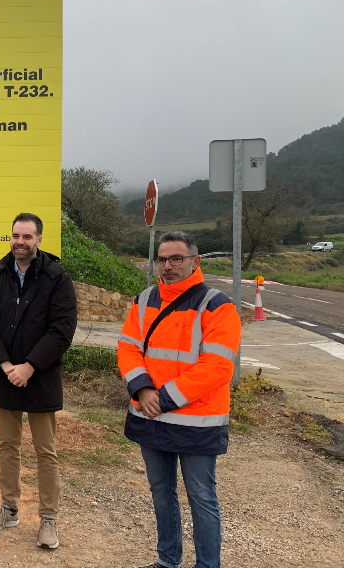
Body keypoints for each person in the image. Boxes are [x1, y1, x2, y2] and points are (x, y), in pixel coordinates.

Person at [117, 231, 241, 568]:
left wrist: (163, 398)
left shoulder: (216, 305)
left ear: (194, 262)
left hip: (195, 422)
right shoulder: (144, 300)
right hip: (151, 414)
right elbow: (128, 348)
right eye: (163, 259)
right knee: (161, 492)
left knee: (201, 497)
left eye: (176, 259)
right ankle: (167, 560)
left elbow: (217, 367)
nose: (168, 266)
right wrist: (142, 389)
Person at [0, 213, 77, 550]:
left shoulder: (57, 277)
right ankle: (8, 509)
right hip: (5, 376)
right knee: (8, 447)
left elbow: (62, 329)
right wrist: (7, 366)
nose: (20, 242)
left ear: (39, 240)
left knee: (45, 451)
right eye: (16, 235)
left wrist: (30, 366)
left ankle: (48, 519)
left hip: (41, 377)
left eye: (27, 236)